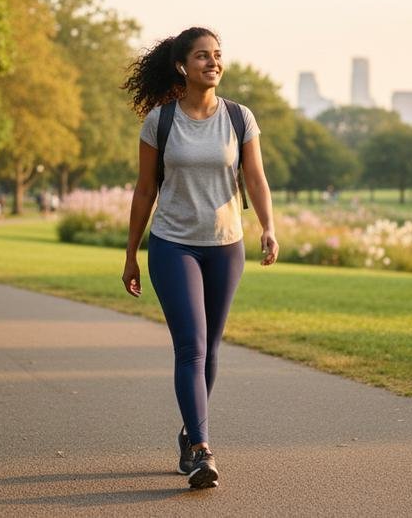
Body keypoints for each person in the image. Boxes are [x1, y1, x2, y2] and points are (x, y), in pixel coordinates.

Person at [120, 27, 279, 490]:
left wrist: (268, 227)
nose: (213, 63)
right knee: (191, 345)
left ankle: (190, 434)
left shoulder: (239, 117)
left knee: (210, 347)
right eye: (203, 56)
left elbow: (256, 178)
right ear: (181, 66)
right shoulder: (160, 121)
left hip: (226, 245)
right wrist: (131, 254)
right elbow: (145, 190)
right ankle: (203, 449)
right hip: (173, 244)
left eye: (217, 55)